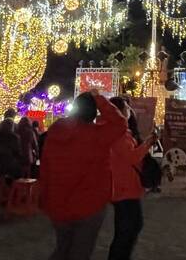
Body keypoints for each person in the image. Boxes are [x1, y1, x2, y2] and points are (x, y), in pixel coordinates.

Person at [40, 91, 126, 260]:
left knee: (62, 248)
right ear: (94, 112)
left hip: (57, 203)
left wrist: (44, 198)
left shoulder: (55, 133)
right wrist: (99, 99)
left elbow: (45, 168)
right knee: (80, 252)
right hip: (89, 205)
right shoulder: (98, 136)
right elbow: (120, 123)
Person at [108, 97, 156, 260]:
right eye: (127, 107)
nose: (129, 109)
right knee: (128, 230)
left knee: (127, 229)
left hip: (124, 187)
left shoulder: (117, 131)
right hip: (124, 189)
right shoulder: (118, 134)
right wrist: (148, 143)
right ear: (119, 111)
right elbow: (132, 157)